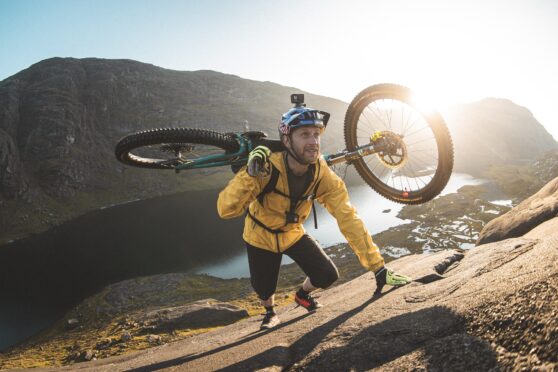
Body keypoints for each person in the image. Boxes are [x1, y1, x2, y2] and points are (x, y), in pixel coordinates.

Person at [217, 96, 411, 330]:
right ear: (287, 139)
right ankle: (269, 312)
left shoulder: (322, 174)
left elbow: (348, 217)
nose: (313, 142)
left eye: (316, 134)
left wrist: (378, 268)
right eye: (304, 134)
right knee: (264, 288)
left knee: (327, 275)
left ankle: (302, 295)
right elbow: (226, 210)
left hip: (291, 232)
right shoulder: (266, 166)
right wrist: (250, 173)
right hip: (260, 234)